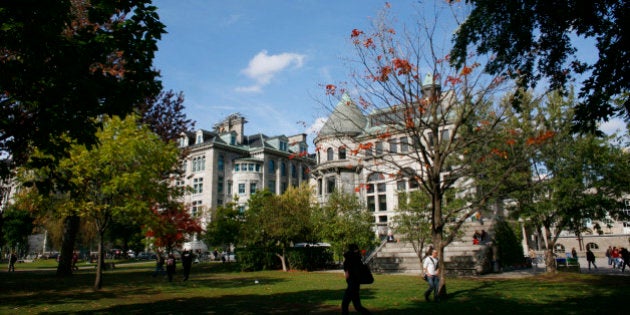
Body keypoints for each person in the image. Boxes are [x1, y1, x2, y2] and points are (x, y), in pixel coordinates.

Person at [341, 244, 371, 315]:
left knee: (345, 304)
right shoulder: (357, 259)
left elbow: (347, 272)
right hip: (355, 284)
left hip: (352, 284)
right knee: (357, 306)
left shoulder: (350, 259)